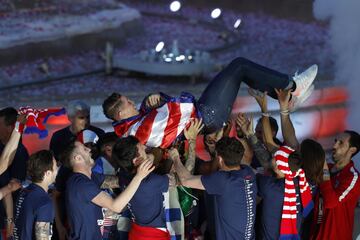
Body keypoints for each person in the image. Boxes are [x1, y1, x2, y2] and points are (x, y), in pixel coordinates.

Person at [103, 57, 318, 148]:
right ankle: (291, 86)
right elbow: (176, 109)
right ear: (120, 114)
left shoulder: (131, 128)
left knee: (239, 70)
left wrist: (156, 99)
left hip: (204, 114)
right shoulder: (138, 131)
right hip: (207, 115)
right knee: (239, 66)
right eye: (127, 102)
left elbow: (162, 115)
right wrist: (163, 100)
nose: (132, 102)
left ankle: (288, 93)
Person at [64, 141, 154, 240]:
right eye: (85, 149)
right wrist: (139, 176)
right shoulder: (80, 184)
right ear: (78, 158)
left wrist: (135, 166)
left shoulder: (89, 177)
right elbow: (116, 206)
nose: (89, 149)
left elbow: (118, 181)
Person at [172, 136, 257, 240]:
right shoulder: (248, 172)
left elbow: (185, 180)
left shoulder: (223, 181)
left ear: (220, 159)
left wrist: (175, 157)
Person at [112, 135, 179, 240]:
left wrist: (151, 156)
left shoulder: (123, 174)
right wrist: (175, 157)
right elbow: (184, 179)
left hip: (136, 232)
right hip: (153, 236)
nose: (144, 147)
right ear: (136, 161)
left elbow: (150, 158)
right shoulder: (151, 181)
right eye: (140, 147)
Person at [311, 130, 360, 240]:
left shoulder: (353, 177)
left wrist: (324, 168)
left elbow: (331, 203)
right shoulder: (326, 167)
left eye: (340, 143)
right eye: (335, 141)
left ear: (352, 150)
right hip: (316, 234)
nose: (334, 145)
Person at [13, 150, 58, 240]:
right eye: (56, 167)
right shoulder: (44, 202)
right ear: (48, 173)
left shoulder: (24, 192)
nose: (57, 170)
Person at [0, 108, 29, 239]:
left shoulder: (20, 152)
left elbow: (8, 184)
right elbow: (4, 163)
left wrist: (10, 218)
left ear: (9, 127)